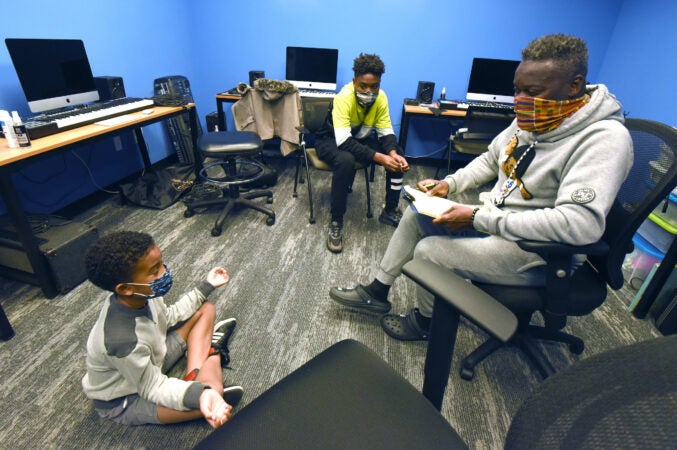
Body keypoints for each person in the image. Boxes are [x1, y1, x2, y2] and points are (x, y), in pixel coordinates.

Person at [329, 34, 633, 340]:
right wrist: (449, 184)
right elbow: (491, 158)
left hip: (539, 250)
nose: (520, 100)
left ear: (574, 84)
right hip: (498, 219)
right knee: (417, 212)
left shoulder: (604, 140)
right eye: (517, 89)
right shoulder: (537, 116)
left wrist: (477, 218)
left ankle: (425, 324)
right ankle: (377, 292)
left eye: (532, 91)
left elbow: (581, 225)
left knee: (429, 251)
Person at [82, 231, 243, 428]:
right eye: (155, 270)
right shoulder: (122, 341)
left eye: (161, 264)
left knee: (206, 308)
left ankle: (194, 378)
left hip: (153, 359)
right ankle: (213, 356)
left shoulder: (143, 294)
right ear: (125, 288)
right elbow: (152, 387)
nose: (164, 273)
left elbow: (167, 317)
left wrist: (205, 287)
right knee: (212, 395)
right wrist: (202, 394)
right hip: (128, 398)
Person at [315, 53, 410, 253]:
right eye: (363, 86)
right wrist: (379, 158)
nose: (369, 91)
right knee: (346, 160)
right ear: (354, 81)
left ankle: (390, 210)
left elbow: (385, 132)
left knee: (398, 153)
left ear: (379, 83)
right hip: (330, 140)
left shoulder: (381, 97)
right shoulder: (344, 97)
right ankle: (336, 222)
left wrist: (391, 153)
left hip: (359, 138)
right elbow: (344, 142)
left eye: (374, 86)